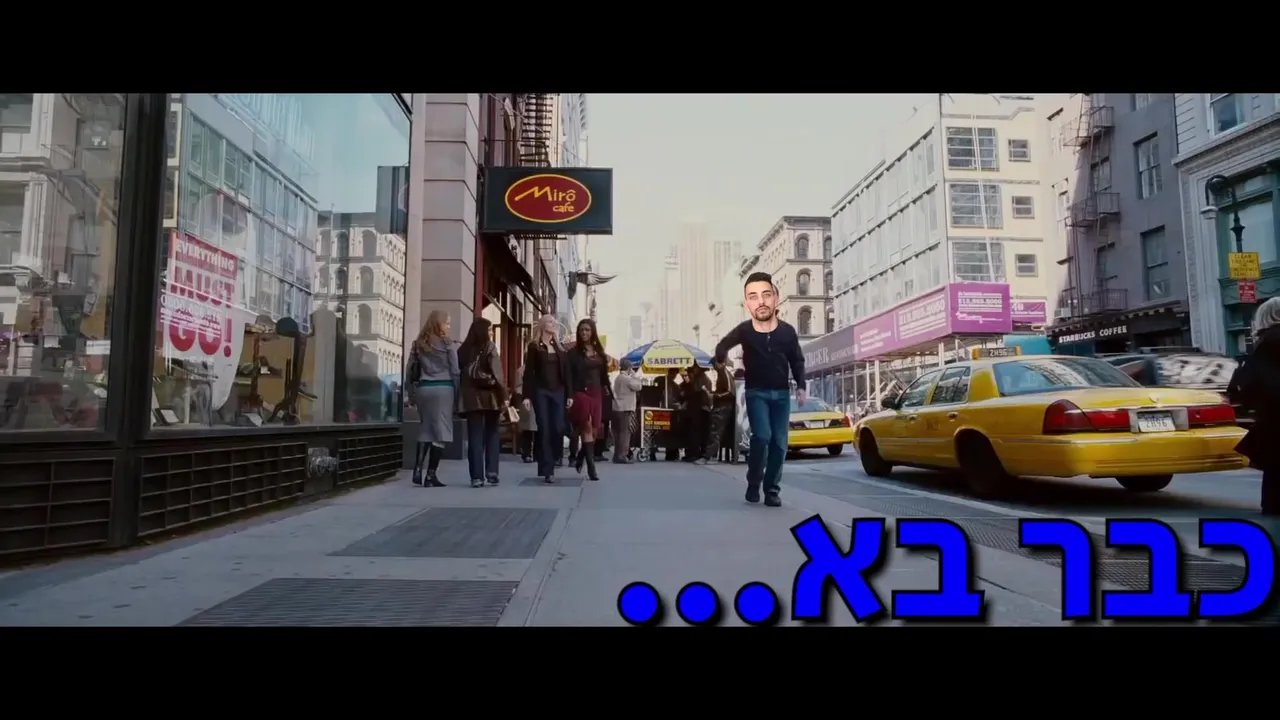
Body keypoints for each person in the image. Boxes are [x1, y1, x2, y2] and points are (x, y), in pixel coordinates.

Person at [713, 271, 806, 507]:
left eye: (766, 295)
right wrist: (721, 359)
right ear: (748, 304)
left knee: (779, 444)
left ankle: (772, 490)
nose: (761, 302)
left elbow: (797, 360)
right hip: (756, 393)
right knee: (762, 436)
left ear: (775, 298)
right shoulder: (745, 330)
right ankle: (754, 482)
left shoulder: (787, 332)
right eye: (753, 297)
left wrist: (801, 386)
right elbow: (722, 344)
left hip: (781, 394)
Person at [1230, 296, 1280, 515]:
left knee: (1274, 464)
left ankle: (1273, 507)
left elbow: (1256, 379)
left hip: (1275, 414)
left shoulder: (1268, 342)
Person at [406, 310, 458, 487]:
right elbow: (455, 370)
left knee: (426, 428)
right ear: (439, 324)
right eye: (447, 323)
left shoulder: (418, 344)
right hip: (443, 389)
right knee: (441, 433)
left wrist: (410, 394)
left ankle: (417, 469)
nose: (449, 326)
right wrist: (458, 394)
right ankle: (430, 475)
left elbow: (410, 371)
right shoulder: (447, 344)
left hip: (424, 389)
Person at [457, 317, 507, 488]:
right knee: (492, 433)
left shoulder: (463, 350)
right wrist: (504, 396)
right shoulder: (490, 347)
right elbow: (498, 374)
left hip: (471, 398)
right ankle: (492, 472)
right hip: (490, 396)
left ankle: (476, 477)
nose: (491, 333)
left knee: (475, 436)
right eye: (490, 329)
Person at [521, 314, 569, 484]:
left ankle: (555, 457)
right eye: (549, 321)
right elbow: (529, 373)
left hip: (558, 392)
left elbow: (566, 374)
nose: (553, 324)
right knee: (544, 429)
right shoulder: (534, 347)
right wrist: (527, 395)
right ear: (542, 325)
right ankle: (547, 470)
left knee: (559, 427)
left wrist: (570, 395)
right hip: (541, 392)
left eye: (554, 322)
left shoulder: (560, 348)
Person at [566, 318, 612, 481]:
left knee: (594, 430)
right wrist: (569, 395)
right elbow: (569, 377)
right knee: (586, 426)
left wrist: (607, 389)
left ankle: (581, 456)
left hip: (597, 392)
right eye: (581, 330)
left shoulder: (600, 352)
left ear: (592, 332)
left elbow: (604, 374)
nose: (584, 333)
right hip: (581, 392)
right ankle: (592, 469)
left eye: (587, 330)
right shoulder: (573, 353)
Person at [700, 358, 736, 464]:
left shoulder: (725, 374)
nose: (714, 367)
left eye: (714, 364)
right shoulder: (722, 374)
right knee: (714, 431)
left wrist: (715, 395)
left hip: (723, 407)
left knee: (715, 432)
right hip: (721, 406)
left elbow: (730, 392)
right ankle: (709, 455)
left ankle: (707, 456)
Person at [612, 358, 643, 463]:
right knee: (625, 433)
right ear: (629, 368)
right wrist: (635, 375)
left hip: (617, 408)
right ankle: (622, 455)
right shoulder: (627, 379)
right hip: (625, 408)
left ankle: (617, 455)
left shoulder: (618, 378)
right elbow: (638, 386)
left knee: (618, 433)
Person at [687, 364, 713, 461]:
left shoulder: (701, 379)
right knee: (699, 432)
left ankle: (695, 454)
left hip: (700, 409)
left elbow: (699, 392)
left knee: (697, 432)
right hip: (701, 408)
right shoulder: (702, 378)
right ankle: (697, 453)